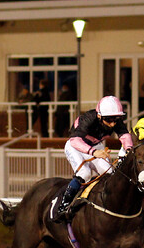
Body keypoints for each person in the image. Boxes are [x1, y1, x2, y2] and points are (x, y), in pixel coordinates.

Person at [53, 95, 134, 223]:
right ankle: (63, 206)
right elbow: (75, 140)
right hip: (76, 147)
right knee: (84, 173)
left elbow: (124, 135)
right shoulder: (88, 119)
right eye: (109, 120)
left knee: (109, 173)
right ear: (99, 116)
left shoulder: (113, 119)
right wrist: (94, 152)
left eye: (116, 119)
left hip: (95, 146)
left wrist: (129, 149)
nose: (113, 123)